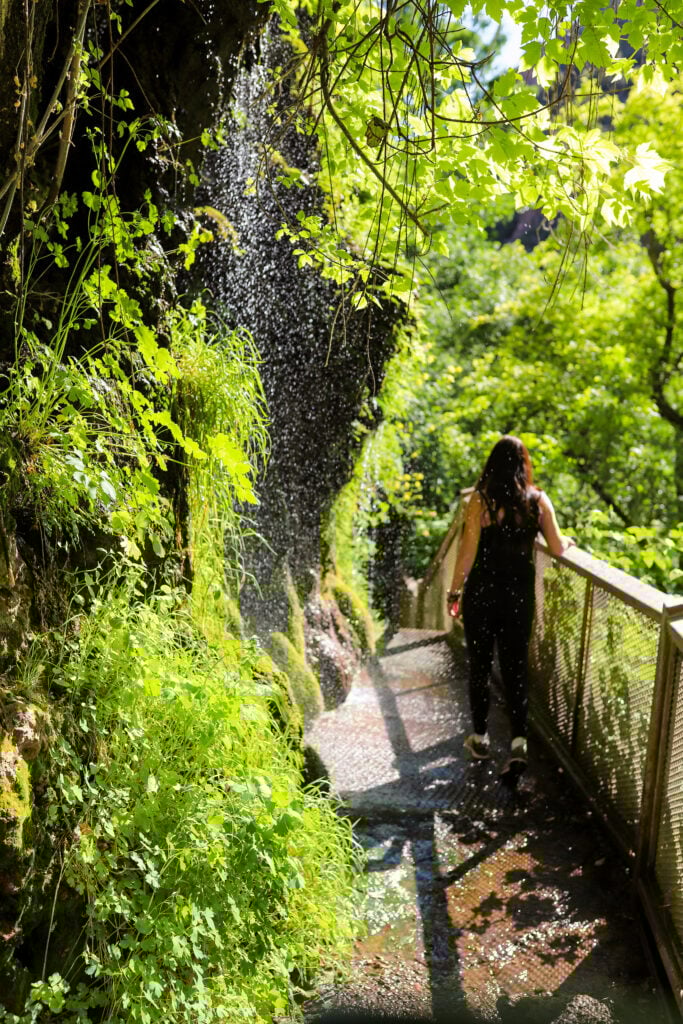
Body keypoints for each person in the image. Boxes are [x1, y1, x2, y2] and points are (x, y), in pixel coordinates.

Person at [446, 435, 573, 781]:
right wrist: (570, 542)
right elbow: (558, 548)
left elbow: (467, 552)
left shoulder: (480, 501)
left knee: (481, 665)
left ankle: (481, 737)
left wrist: (454, 592)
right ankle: (519, 742)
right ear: (524, 465)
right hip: (518, 598)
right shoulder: (538, 501)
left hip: (482, 596)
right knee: (515, 667)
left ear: (492, 464)